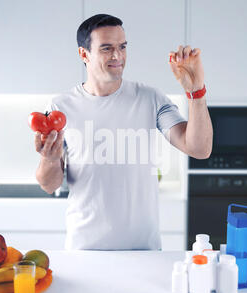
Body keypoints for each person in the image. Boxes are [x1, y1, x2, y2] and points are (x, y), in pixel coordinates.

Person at [34, 14, 213, 250]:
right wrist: (49, 158)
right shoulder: (61, 108)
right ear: (84, 54)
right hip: (85, 250)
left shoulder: (151, 99)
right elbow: (49, 184)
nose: (117, 56)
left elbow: (199, 149)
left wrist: (196, 91)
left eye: (122, 47)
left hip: (143, 250)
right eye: (107, 48)